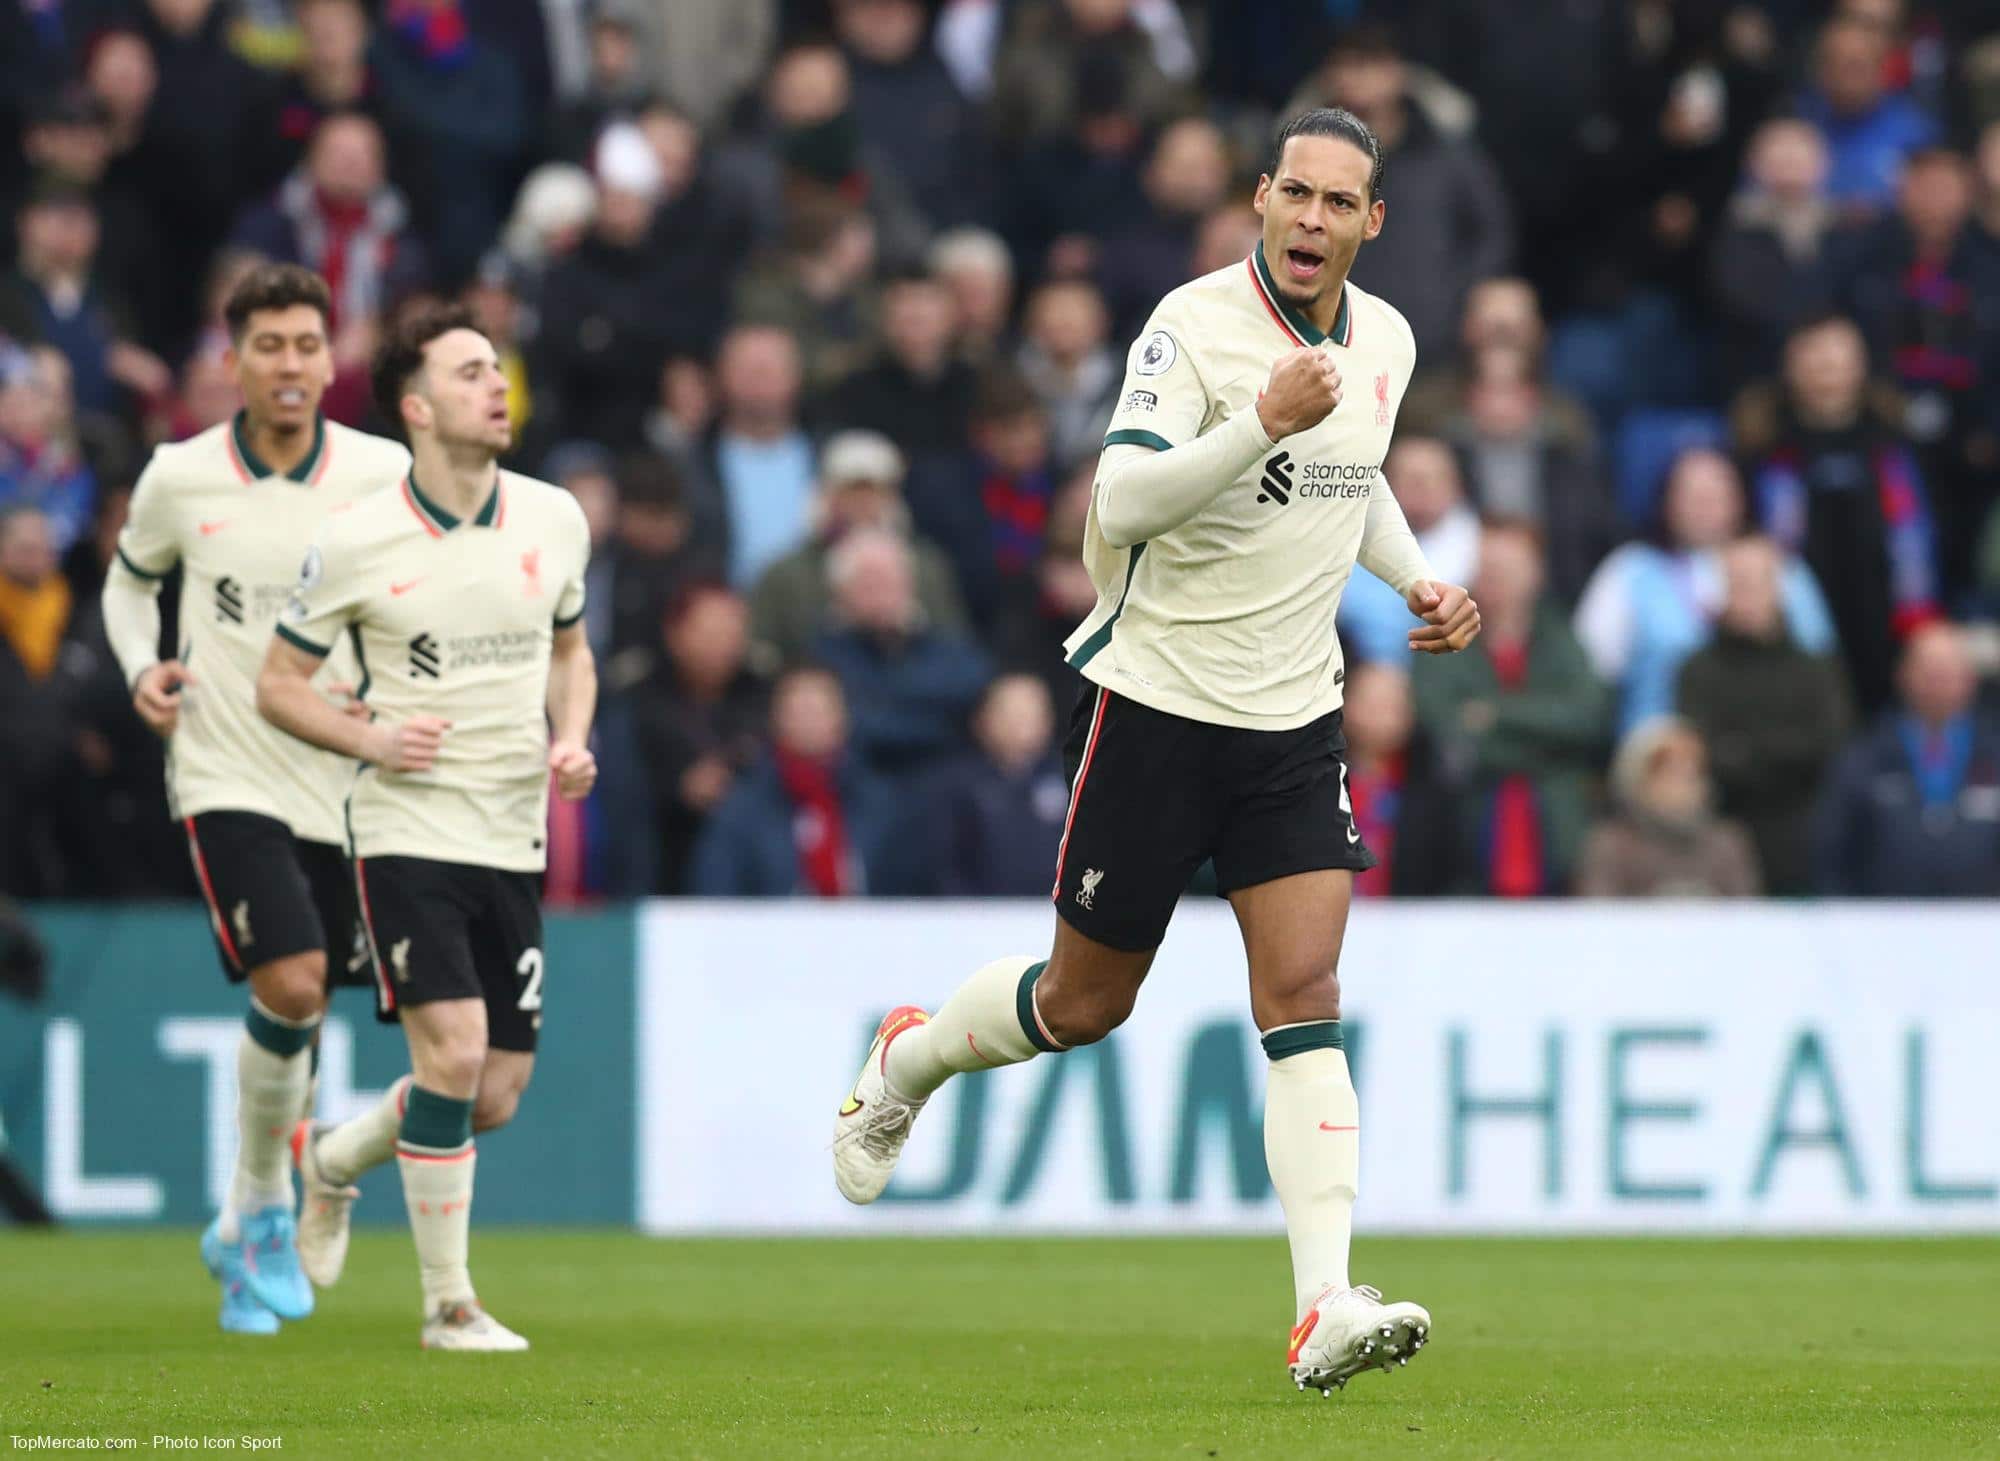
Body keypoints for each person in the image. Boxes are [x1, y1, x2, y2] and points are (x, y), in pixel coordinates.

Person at [831, 108, 1479, 1395]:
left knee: (1302, 999)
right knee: (1083, 1005)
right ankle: (908, 1056)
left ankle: (1320, 1306)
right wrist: (1256, 421)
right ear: (1259, 198)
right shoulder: (1189, 327)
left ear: (1370, 223)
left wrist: (1415, 583)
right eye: (1292, 194)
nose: (1309, 220)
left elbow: (1358, 478)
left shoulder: (1388, 342)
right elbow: (1117, 499)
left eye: (1336, 203)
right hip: (1158, 707)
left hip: (1292, 716)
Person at [257, 302, 596, 1351]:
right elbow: (278, 686)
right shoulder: (354, 542)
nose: (496, 387)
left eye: (496, 370)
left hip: (512, 833)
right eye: (467, 373)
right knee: (449, 1058)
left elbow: (569, 652)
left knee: (490, 1094)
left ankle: (326, 1159)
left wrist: (571, 737)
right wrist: (371, 743)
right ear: (415, 407)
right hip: (406, 831)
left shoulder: (552, 518)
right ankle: (448, 1305)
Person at [98, 264, 412, 1335]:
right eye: (268, 346)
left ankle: (238, 1222)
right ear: (231, 362)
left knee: (304, 1007)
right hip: (224, 766)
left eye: (306, 345)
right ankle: (270, 1207)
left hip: (343, 779)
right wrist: (145, 666)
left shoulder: (381, 474)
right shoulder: (180, 478)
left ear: (333, 361)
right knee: (295, 978)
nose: (289, 365)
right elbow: (131, 580)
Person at [1573, 447, 1836, 735]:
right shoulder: (1630, 569)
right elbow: (1590, 676)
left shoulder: (1784, 567)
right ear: (1666, 502)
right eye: (1691, 494)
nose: (1705, 504)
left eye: (1717, 493)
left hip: (1767, 752)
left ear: (1740, 500)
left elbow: (1819, 666)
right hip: (1660, 755)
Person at [1412, 518, 1611, 897]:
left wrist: (1495, 715)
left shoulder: (1562, 639)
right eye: (1486, 568)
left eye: (1506, 570)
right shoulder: (1441, 639)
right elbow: (1450, 737)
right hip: (1464, 841)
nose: (1493, 580)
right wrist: (1548, 743)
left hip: (1557, 842)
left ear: (1535, 574)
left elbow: (1588, 720)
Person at [1676, 534, 1852, 896]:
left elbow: (1831, 744)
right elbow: (1701, 749)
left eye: (1757, 581)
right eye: (1737, 582)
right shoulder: (1696, 670)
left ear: (1779, 587)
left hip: (1800, 838)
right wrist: (1783, 751)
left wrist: (1745, 750)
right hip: (1720, 836)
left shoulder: (1816, 669)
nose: (1747, 593)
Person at [1814, 621, 2000, 898]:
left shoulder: (1994, 754)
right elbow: (1831, 850)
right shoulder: (1864, 756)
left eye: (1947, 672)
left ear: (1969, 679)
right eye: (1929, 672)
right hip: (1881, 926)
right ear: (1903, 675)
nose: (1938, 684)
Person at [688, 663, 902, 896]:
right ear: (776, 719)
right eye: (798, 711)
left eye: (819, 710)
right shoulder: (741, 808)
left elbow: (910, 893)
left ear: (843, 717)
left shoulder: (881, 803)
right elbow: (715, 893)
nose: (808, 722)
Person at [1575, 718, 1762, 898]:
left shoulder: (1726, 843)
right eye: (1669, 769)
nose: (1683, 780)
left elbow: (1747, 916)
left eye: (1693, 769)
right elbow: (1598, 916)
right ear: (1638, 777)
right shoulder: (1612, 844)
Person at [928, 671, 1070, 896]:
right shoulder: (954, 786)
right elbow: (943, 867)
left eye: (1032, 713)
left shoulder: (1070, 778)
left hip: (1055, 915)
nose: (1023, 723)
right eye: (1012, 714)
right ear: (982, 719)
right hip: (978, 919)